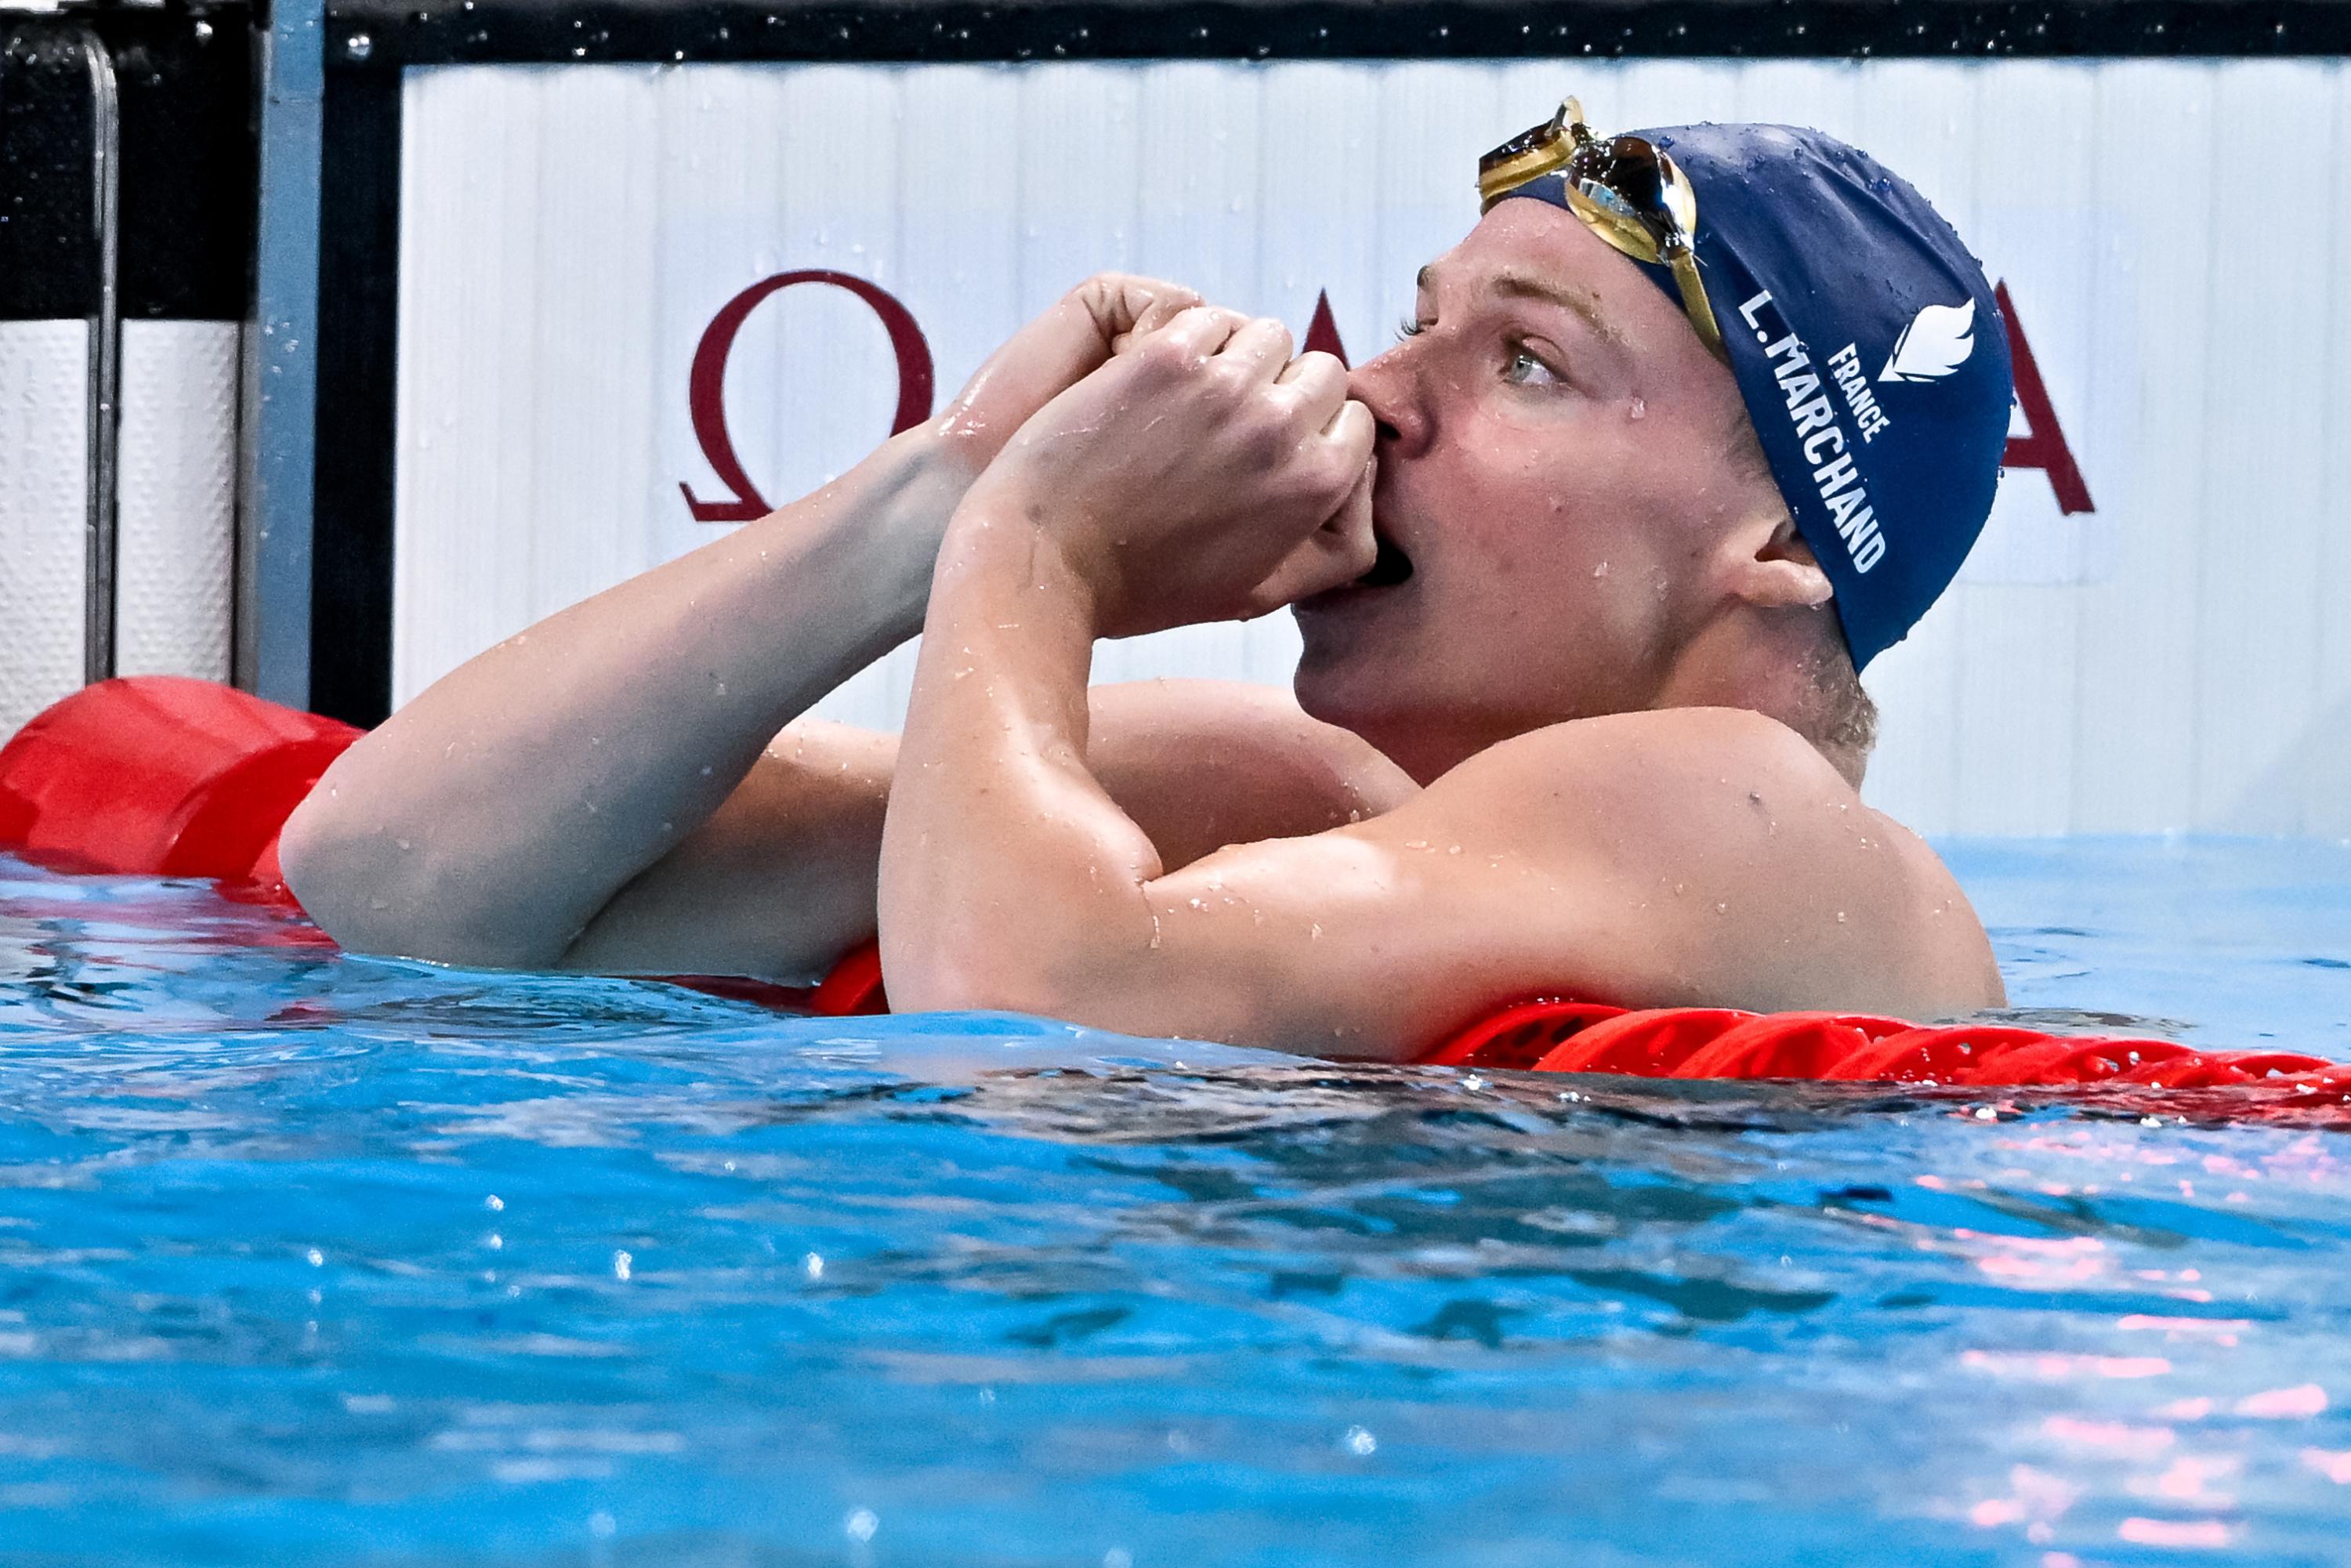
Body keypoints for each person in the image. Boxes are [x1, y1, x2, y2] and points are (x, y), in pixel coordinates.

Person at [281, 100, 2013, 1059]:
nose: (1369, 392)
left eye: (1526, 364)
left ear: (1783, 545)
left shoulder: (1760, 818)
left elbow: (1028, 1033)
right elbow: (401, 877)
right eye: (1415, 324)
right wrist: (949, 492)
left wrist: (1048, 552)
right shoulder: (1289, 800)